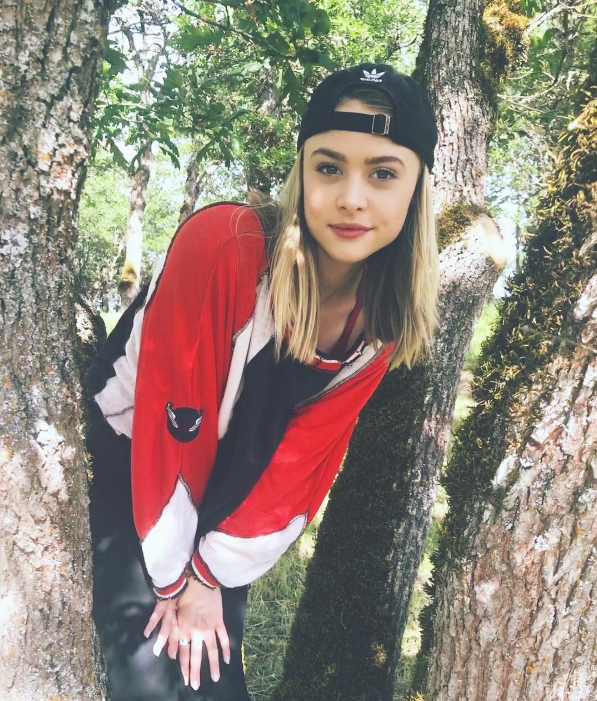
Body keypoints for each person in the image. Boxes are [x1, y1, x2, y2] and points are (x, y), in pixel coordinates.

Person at [86, 62, 439, 700]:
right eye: (329, 167)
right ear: (302, 172)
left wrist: (210, 576)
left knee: (215, 680)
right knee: (156, 681)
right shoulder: (226, 245)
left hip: (225, 495)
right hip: (131, 466)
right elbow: (173, 428)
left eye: (383, 173)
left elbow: (301, 468)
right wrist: (175, 582)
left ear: (417, 189)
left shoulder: (381, 321)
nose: (352, 197)